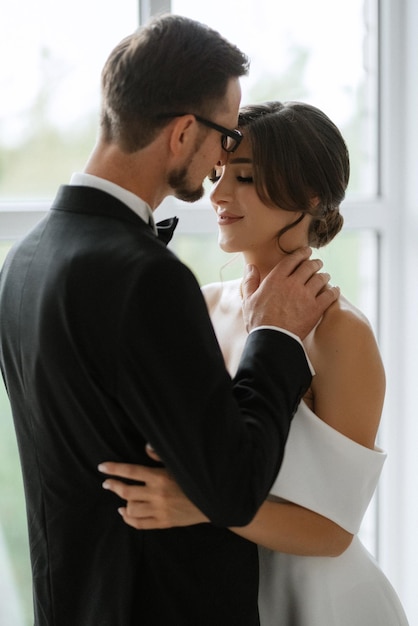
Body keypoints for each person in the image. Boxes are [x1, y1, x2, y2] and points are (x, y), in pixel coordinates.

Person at [0, 15, 339, 626]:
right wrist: (276, 334)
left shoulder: (21, 262)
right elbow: (232, 487)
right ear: (184, 132)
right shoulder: (145, 276)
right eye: (225, 138)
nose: (220, 163)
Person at [100, 101, 409, 625]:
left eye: (243, 177)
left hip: (323, 605)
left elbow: (335, 532)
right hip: (223, 596)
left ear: (310, 196)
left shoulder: (341, 334)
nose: (218, 194)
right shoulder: (200, 303)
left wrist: (201, 506)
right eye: (218, 173)